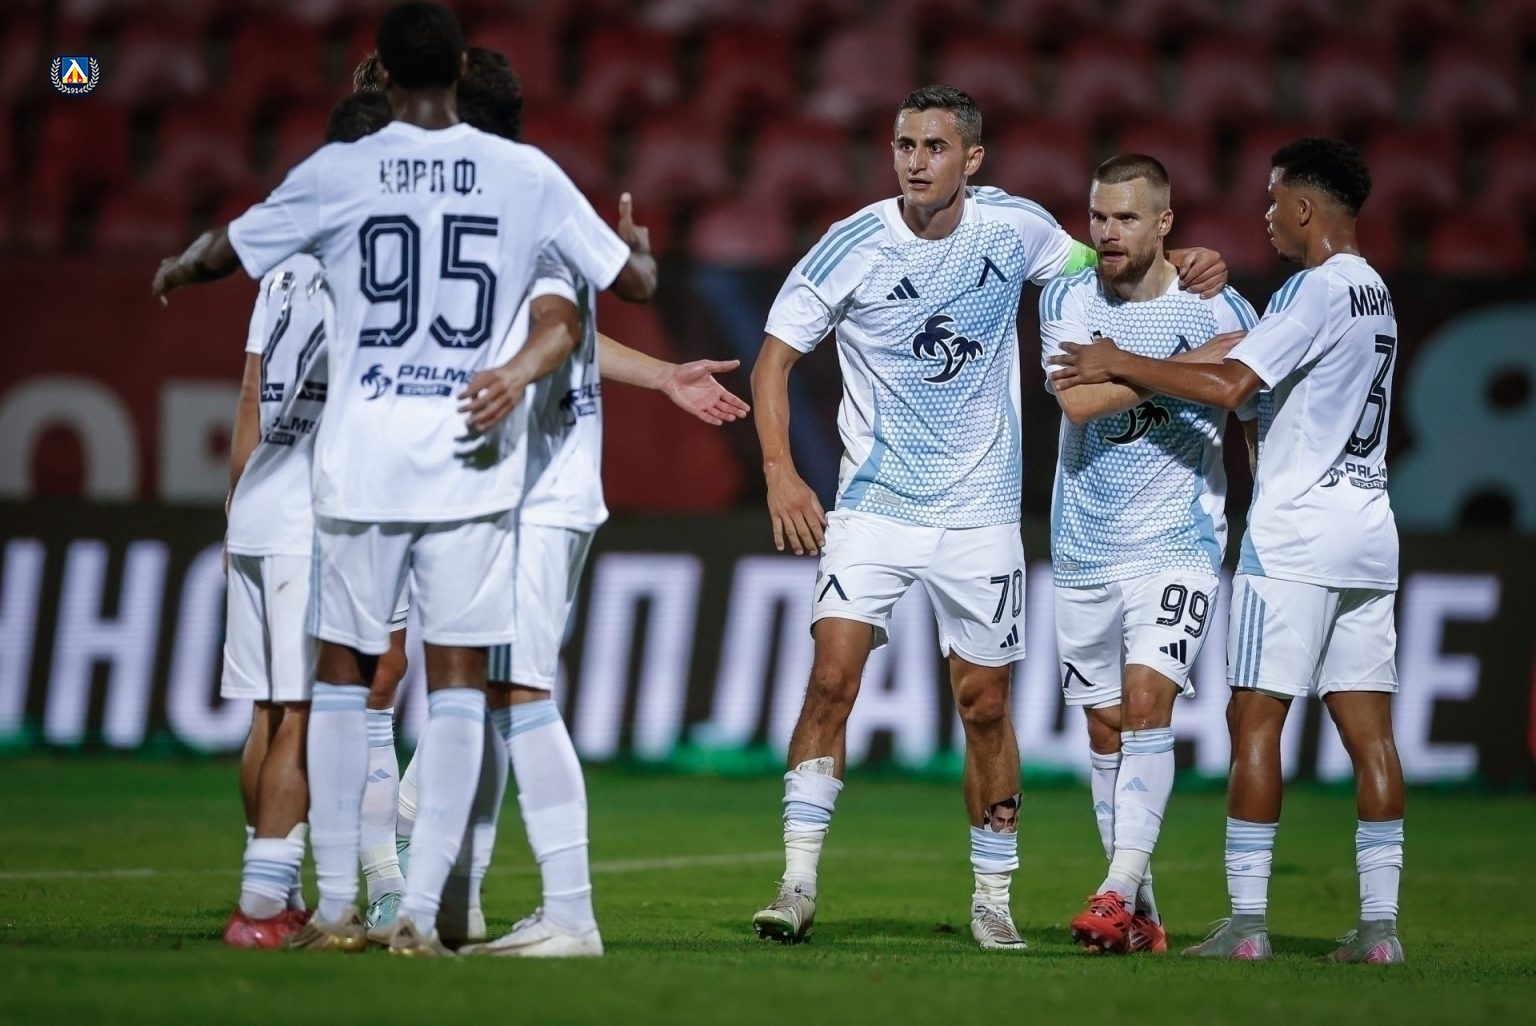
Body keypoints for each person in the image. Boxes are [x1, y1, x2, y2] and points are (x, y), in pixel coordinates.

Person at [153, 0, 657, 957]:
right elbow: (623, 286)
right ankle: (422, 914)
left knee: (343, 681)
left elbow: (233, 246)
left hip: (362, 460)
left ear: (381, 72)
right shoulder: (524, 174)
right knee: (459, 685)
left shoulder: (342, 168)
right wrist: (638, 255)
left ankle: (337, 904)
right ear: (459, 68)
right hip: (468, 465)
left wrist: (180, 266)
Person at [748, 84, 1228, 950]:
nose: (915, 163)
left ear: (971, 158)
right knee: (831, 678)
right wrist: (781, 473)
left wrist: (1183, 257)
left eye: (934, 147)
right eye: (904, 146)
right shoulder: (851, 244)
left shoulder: (1018, 228)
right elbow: (772, 362)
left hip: (981, 516)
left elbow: (1109, 262)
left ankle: (993, 895)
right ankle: (797, 881)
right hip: (876, 504)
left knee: (983, 705)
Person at [352, 46, 747, 955]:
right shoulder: (504, 200)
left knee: (517, 694)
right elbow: (577, 319)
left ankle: (567, 913)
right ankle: (455, 901)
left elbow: (559, 325)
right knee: (484, 692)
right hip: (500, 489)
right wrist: (662, 374)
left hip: (539, 495)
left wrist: (512, 375)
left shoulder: (522, 197)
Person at [1048, 137, 1405, 964]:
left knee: (1254, 719)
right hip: (1369, 526)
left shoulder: (1310, 290)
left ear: (1305, 208)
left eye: (1275, 201)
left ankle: (1246, 925)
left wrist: (1118, 358)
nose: (1266, 216)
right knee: (1371, 736)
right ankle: (1380, 930)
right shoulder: (1376, 290)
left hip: (1296, 534)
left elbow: (1232, 385)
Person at [1038, 153, 1258, 956]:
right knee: (1104, 730)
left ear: (1165, 222)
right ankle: (1143, 912)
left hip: (1178, 543)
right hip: (1083, 545)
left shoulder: (1220, 304)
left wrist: (1131, 362)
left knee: (1144, 706)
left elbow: (1251, 406)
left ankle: (1112, 890)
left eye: (1126, 218)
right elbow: (1081, 401)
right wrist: (1200, 364)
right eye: (1098, 216)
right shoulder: (1067, 297)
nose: (1108, 232)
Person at [219, 90, 400, 951]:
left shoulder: (284, 258)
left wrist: (234, 513)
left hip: (258, 505)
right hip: (315, 514)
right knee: (309, 712)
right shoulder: (371, 259)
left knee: (267, 712)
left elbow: (250, 394)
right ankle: (261, 908)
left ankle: (273, 889)